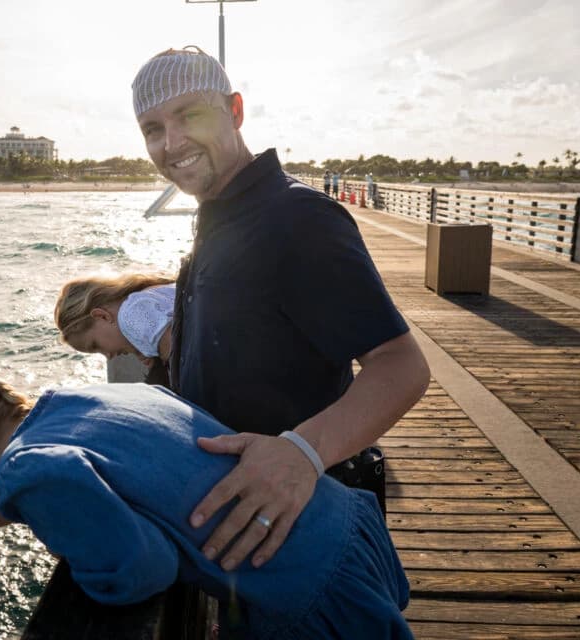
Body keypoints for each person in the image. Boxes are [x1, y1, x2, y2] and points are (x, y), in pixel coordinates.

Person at [131, 46, 430, 575]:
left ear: (235, 111)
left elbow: (402, 366)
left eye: (190, 115)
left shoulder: (296, 218)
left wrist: (302, 454)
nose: (171, 143)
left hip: (307, 528)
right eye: (152, 128)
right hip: (247, 529)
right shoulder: (219, 217)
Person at [0, 365, 414, 639]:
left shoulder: (25, 470)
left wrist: (92, 561)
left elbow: (142, 569)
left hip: (309, 592)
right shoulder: (88, 398)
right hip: (344, 524)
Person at [54, 272, 175, 367]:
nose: (109, 356)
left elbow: (185, 359)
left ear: (102, 316)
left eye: (95, 345)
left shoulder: (132, 312)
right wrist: (150, 350)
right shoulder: (148, 296)